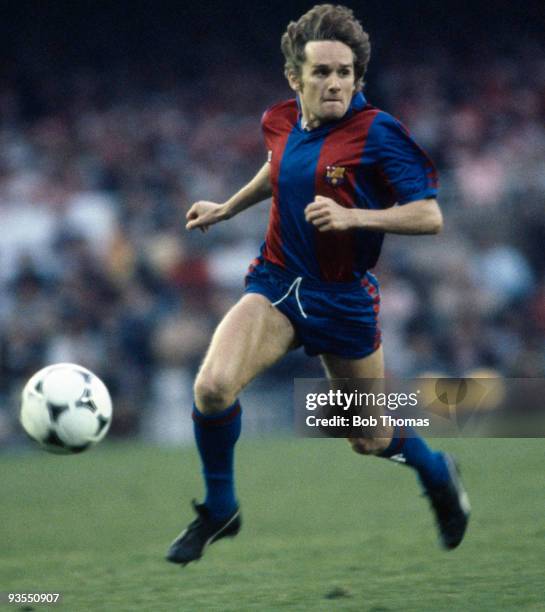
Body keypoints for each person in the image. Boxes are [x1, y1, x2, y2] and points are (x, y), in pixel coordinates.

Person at [166, 3, 470, 566]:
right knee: (211, 388)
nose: (334, 84)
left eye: (344, 73)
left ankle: (435, 470)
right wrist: (228, 208)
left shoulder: (378, 132)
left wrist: (357, 217)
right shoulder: (278, 119)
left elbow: (429, 216)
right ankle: (220, 507)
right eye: (322, 73)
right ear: (295, 78)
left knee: (367, 437)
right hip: (277, 284)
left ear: (358, 77)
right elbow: (278, 166)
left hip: (344, 300)